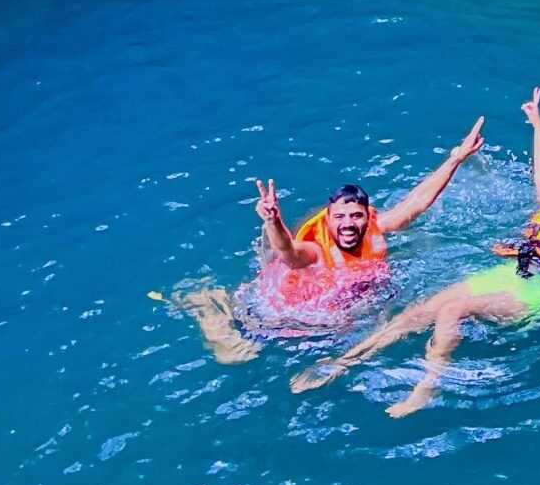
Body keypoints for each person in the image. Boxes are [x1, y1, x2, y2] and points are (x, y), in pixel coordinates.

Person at [290, 88, 540, 419]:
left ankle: (427, 386)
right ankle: (343, 362)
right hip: (503, 275)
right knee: (416, 313)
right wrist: (537, 123)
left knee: (454, 310)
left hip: (536, 290)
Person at [171, 119, 485, 364]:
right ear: (329, 219)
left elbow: (417, 200)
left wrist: (456, 158)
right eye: (340, 217)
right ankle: (211, 303)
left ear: (367, 217)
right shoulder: (317, 251)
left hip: (346, 301)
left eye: (356, 216)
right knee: (240, 354)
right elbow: (289, 253)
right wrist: (273, 221)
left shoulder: (378, 227)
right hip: (288, 311)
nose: (348, 224)